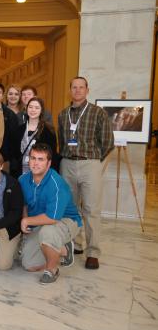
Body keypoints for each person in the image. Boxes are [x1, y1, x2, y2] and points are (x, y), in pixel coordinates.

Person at [57, 76, 114, 270]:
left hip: (90, 163)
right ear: (70, 90)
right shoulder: (63, 114)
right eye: (74, 87)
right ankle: (77, 243)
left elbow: (107, 142)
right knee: (70, 207)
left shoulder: (98, 113)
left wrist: (93, 160)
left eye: (81, 87)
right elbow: (62, 140)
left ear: (87, 90)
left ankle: (93, 252)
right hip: (67, 164)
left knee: (91, 209)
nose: (78, 90)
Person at [19, 143, 81, 284]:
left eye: (41, 159)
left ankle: (52, 270)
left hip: (66, 220)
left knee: (48, 232)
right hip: (40, 221)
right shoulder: (23, 180)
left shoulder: (56, 183)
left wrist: (26, 221)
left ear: (49, 163)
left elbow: (52, 218)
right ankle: (64, 250)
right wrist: (25, 217)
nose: (35, 163)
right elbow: (24, 204)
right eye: (33, 158)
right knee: (28, 264)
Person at [11, 97, 58, 178]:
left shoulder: (48, 131)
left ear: (41, 111)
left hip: (40, 173)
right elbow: (13, 154)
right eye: (30, 107)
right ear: (26, 109)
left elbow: (52, 155)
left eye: (37, 108)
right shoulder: (18, 130)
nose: (33, 110)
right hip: (20, 173)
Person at [0, 82, 19, 171]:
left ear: (2, 96)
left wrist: (6, 157)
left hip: (3, 159)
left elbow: (13, 140)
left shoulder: (10, 115)